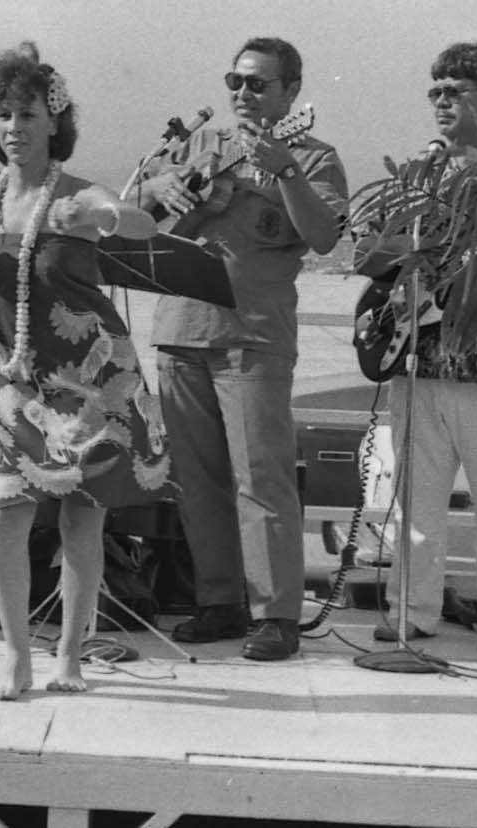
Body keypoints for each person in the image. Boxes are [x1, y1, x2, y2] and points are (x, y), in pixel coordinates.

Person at [0, 45, 174, 700]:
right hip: (14, 383)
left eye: (29, 114)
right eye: (6, 115)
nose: (15, 127)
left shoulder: (73, 192)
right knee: (5, 519)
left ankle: (70, 655)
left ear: (54, 122)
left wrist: (100, 216)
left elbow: (140, 220)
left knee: (80, 519)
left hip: (93, 380)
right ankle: (16, 656)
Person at [139, 37, 347, 661]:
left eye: (258, 83)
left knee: (262, 476)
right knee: (196, 480)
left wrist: (283, 169)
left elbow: (324, 238)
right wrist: (162, 184)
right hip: (181, 329)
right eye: (236, 80)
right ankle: (220, 601)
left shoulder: (315, 155)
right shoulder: (198, 146)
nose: (243, 93)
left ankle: (276, 612)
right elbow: (133, 213)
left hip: (253, 336)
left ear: (291, 93)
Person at [351, 41, 477, 654]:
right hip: (418, 356)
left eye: (454, 91)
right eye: (434, 91)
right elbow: (365, 253)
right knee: (415, 503)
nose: (439, 102)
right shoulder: (419, 169)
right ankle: (412, 612)